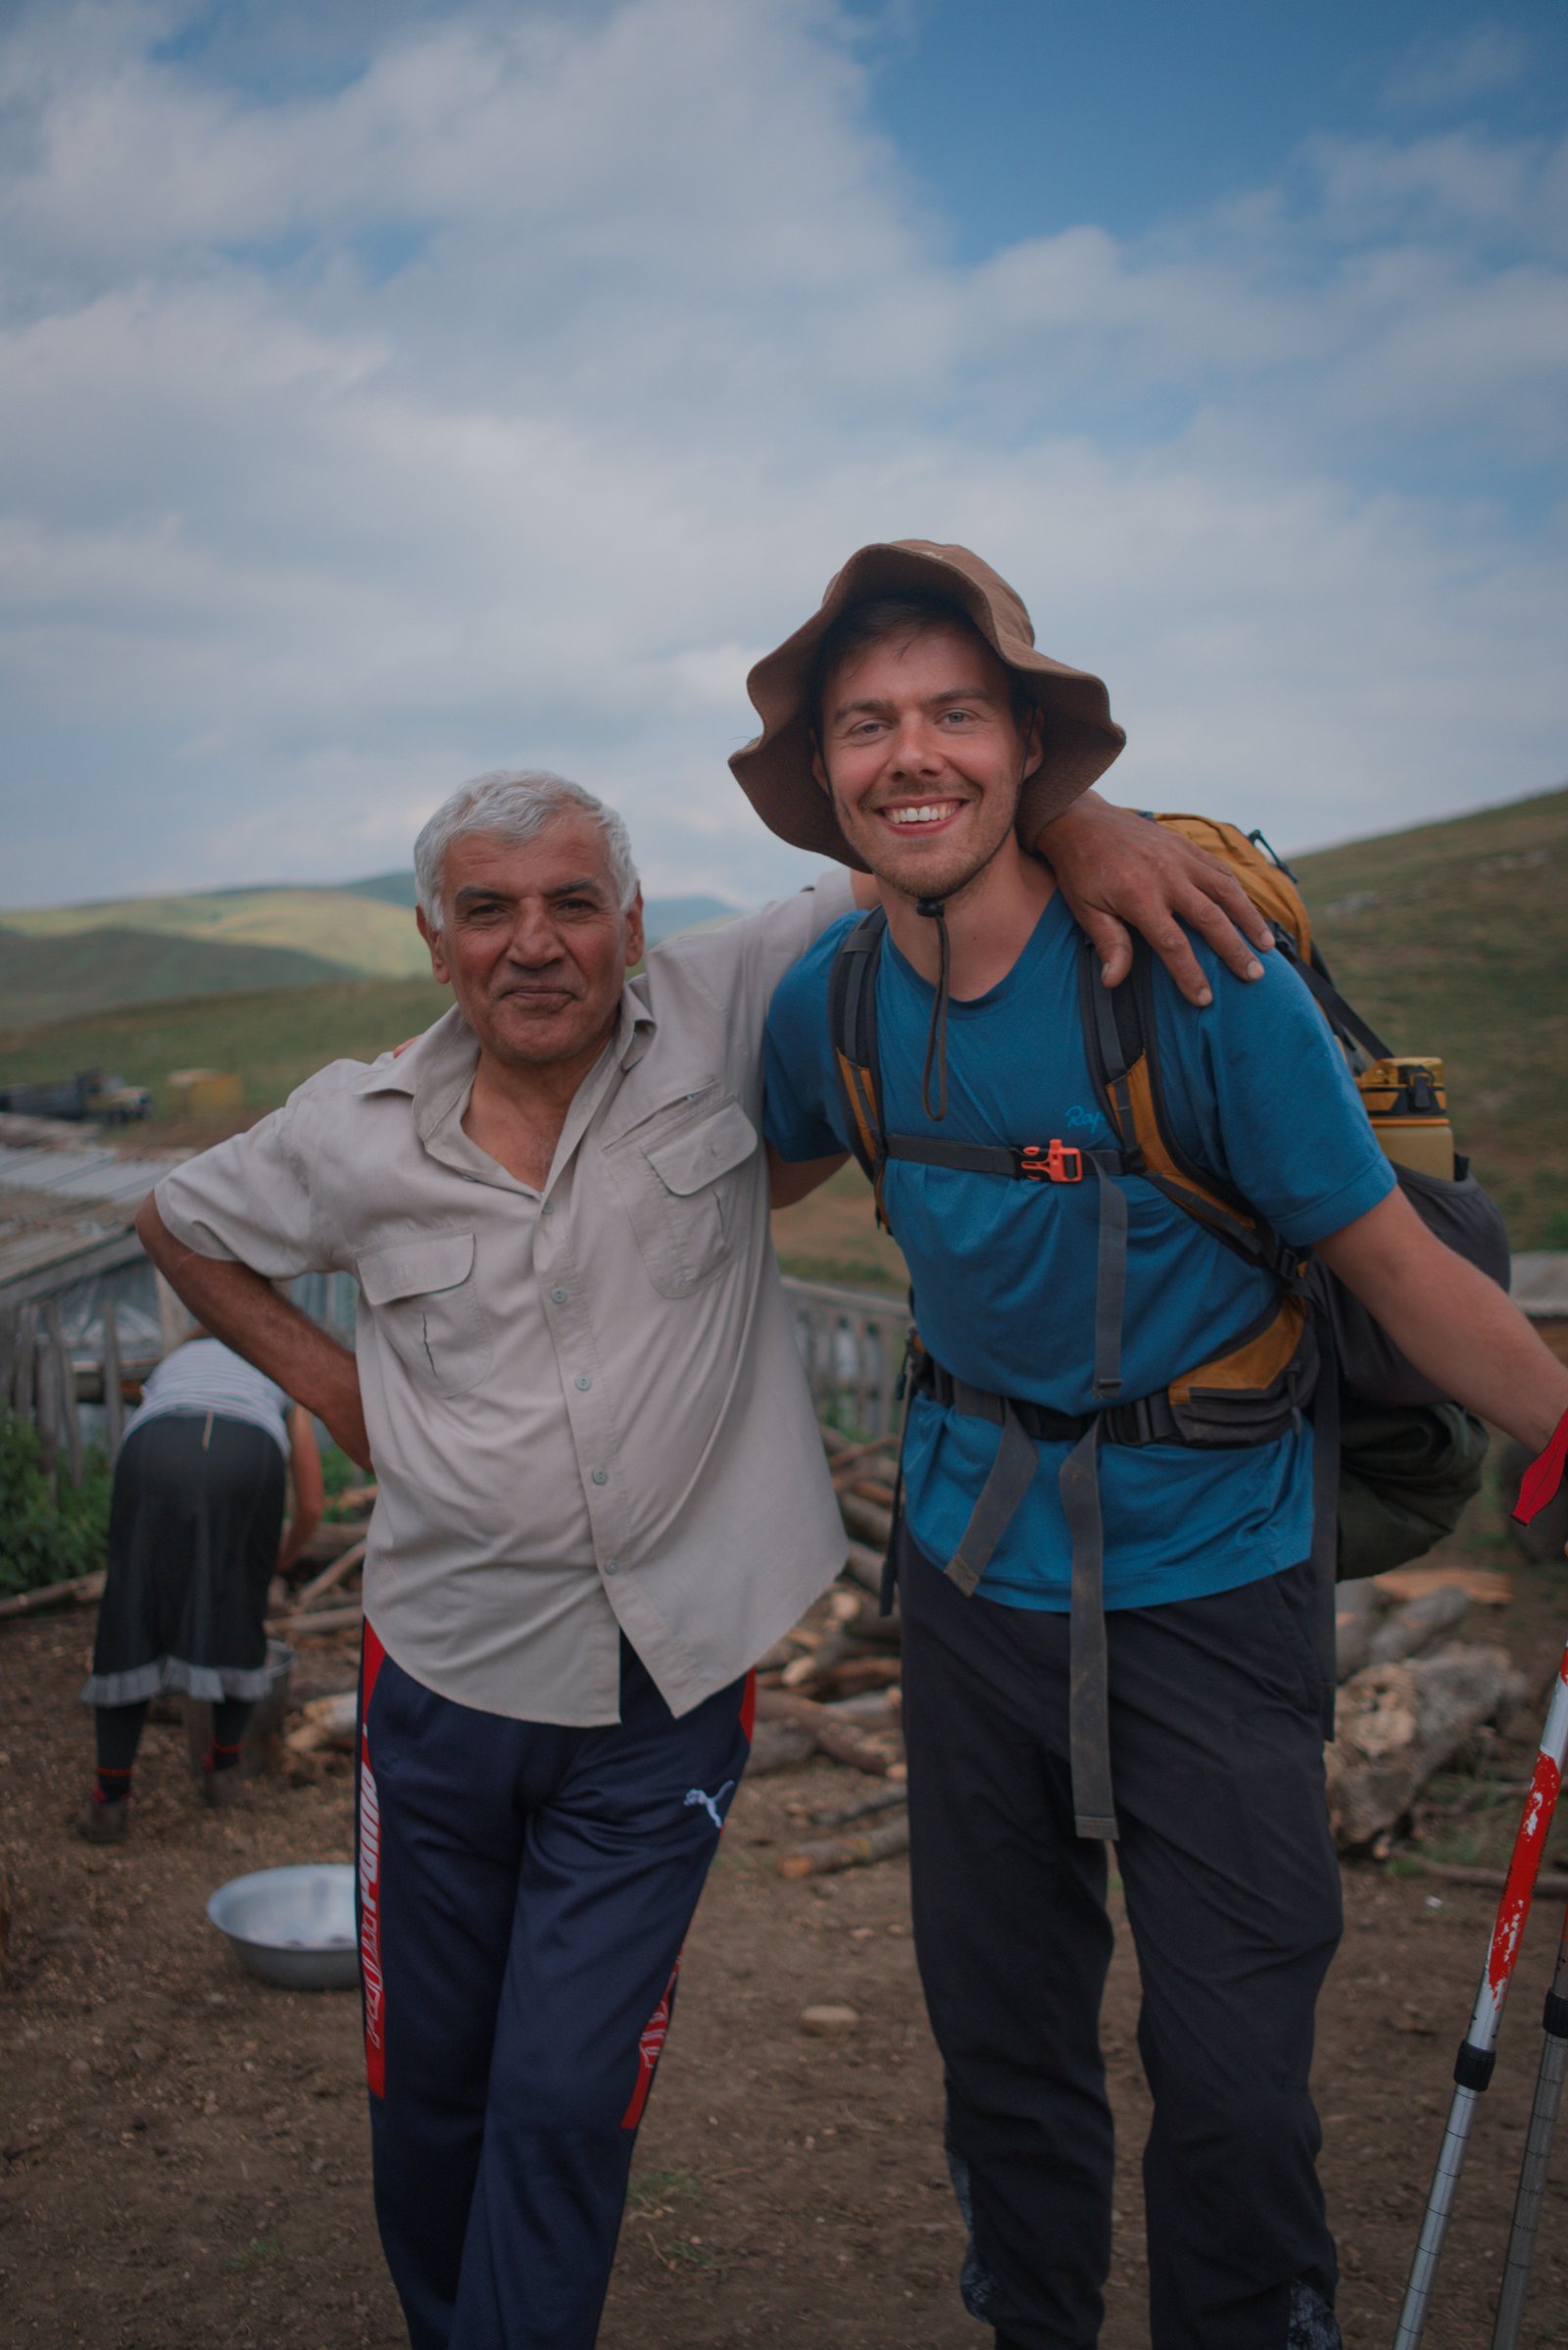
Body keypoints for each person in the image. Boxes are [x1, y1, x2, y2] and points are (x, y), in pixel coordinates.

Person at [135, 764, 1275, 2350]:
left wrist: (1076, 824)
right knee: (429, 2090)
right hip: (440, 1681)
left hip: (662, 1694)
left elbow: (916, 853)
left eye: (571, 902)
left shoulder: (729, 999)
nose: (534, 942)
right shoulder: (354, 1126)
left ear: (631, 919)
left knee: (559, 2095)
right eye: (488, 910)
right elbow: (179, 1215)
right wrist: (345, 1403)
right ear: (433, 939)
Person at [746, 539, 1568, 2350]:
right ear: (825, 775)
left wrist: (1563, 1427)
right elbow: (770, 1161)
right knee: (1002, 2025)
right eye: (868, 722)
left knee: (1233, 2056)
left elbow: (1390, 1267)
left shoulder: (1192, 982)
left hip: (1213, 1568)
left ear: (1033, 746)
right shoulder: (836, 1006)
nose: (913, 754)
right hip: (967, 1572)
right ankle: (1029, 2315)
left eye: (957, 711)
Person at [78, 1331, 322, 1840]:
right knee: (238, 1605)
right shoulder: (274, 1359)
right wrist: (277, 1560)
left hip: (155, 1444)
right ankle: (222, 1773)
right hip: (247, 1447)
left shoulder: (178, 1361)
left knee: (132, 1605)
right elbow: (313, 1505)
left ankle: (110, 1802)